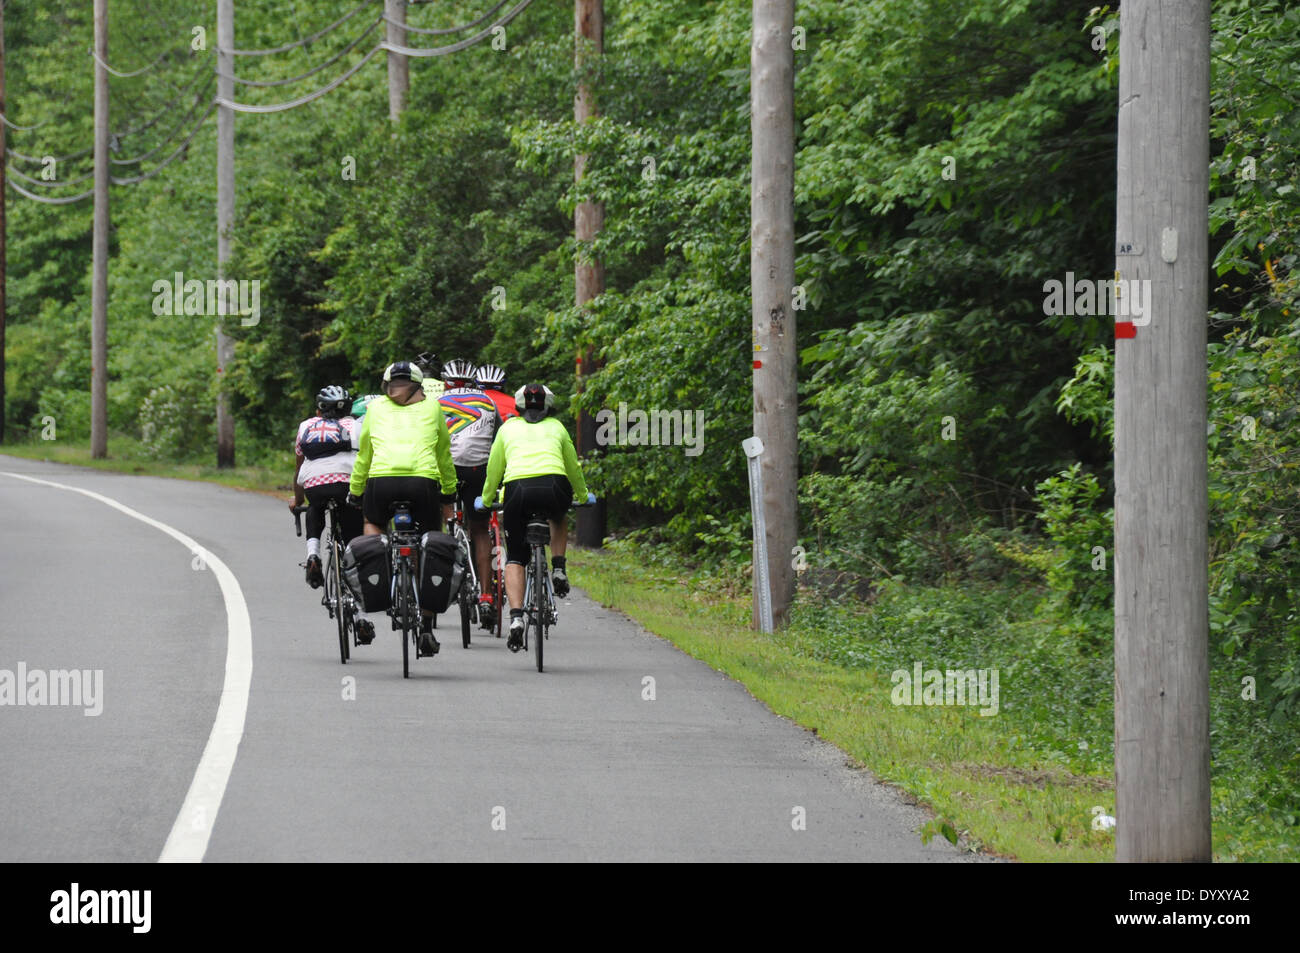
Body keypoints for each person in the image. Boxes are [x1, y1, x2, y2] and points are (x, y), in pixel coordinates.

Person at [348, 361, 458, 656]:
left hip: (381, 483)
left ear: (386, 385)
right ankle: (426, 625)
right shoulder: (433, 408)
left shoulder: (374, 410)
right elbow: (443, 455)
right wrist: (449, 491)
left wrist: (356, 490)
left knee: (372, 522)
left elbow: (365, 455)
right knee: (429, 540)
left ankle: (380, 571)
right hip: (422, 484)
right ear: (419, 386)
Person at [478, 383, 590, 652]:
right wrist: (583, 495)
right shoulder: (558, 427)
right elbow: (573, 466)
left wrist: (486, 498)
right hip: (554, 487)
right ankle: (559, 567)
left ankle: (516, 619)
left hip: (517, 491)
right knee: (559, 515)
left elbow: (494, 468)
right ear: (548, 406)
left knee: (515, 556)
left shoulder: (507, 428)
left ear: (519, 406)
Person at [290, 386, 374, 643]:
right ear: (348, 409)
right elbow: (369, 461)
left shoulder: (306, 426)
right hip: (348, 485)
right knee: (351, 548)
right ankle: (359, 616)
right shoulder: (357, 427)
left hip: (315, 485)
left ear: (319, 410)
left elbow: (299, 466)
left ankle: (313, 554)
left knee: (315, 509)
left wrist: (298, 499)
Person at [438, 358, 503, 629]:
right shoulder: (488, 402)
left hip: (448, 471)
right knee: (479, 530)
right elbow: (499, 439)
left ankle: (449, 530)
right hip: (479, 470)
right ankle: (486, 595)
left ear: (445, 382)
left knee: (440, 519)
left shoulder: (436, 404)